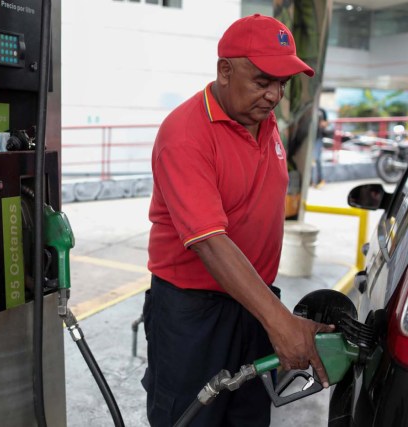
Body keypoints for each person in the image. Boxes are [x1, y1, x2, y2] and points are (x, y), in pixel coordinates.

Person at [142, 14, 335, 427]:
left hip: (254, 301)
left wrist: (269, 313)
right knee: (190, 418)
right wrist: (280, 321)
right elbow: (210, 240)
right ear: (224, 71)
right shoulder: (186, 135)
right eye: (263, 81)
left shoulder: (262, 123)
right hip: (194, 312)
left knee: (247, 418)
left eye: (282, 84)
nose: (274, 96)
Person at [312, 107, 329, 188]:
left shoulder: (322, 110)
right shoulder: (309, 107)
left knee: (317, 159)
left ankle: (320, 180)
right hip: (308, 138)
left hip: (318, 137)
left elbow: (325, 123)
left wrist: (321, 124)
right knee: (312, 160)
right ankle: (312, 181)